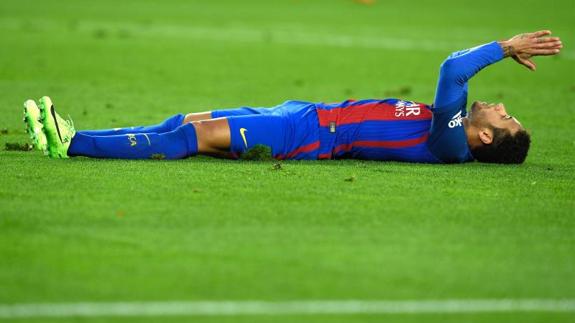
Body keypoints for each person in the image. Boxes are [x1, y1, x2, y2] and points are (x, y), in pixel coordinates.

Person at [23, 30, 562, 164]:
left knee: (197, 136)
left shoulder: (452, 144)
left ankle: (71, 145)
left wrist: (504, 46)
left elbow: (452, 70)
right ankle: (72, 135)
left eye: (505, 116)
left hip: (311, 137)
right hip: (307, 113)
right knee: (185, 118)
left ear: (487, 136)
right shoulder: (449, 131)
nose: (499, 105)